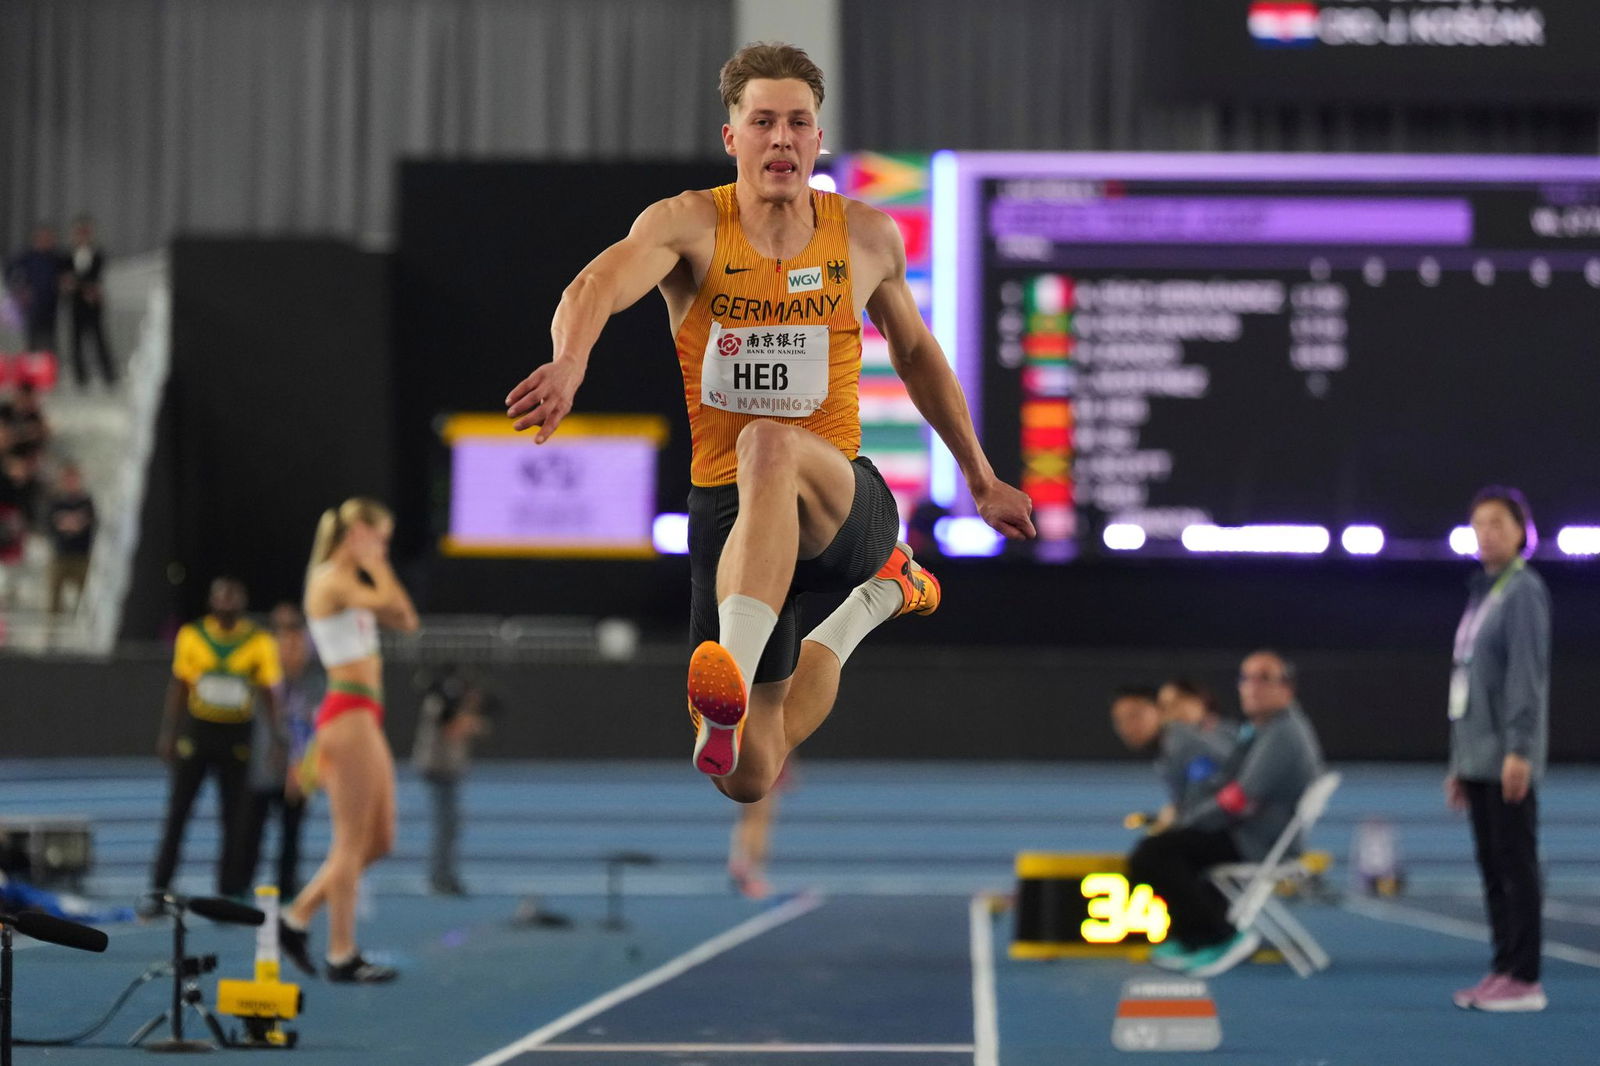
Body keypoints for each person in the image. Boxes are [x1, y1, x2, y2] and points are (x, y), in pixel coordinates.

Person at [504, 42, 1035, 803]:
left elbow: (917, 354)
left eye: (797, 123)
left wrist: (980, 479)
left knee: (769, 439)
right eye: (763, 122)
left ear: (818, 138)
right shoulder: (689, 224)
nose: (781, 138)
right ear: (732, 138)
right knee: (748, 776)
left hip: (838, 503)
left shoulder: (865, 236)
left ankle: (735, 658)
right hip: (730, 514)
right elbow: (594, 284)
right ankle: (879, 598)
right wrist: (569, 362)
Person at [279, 498, 418, 984]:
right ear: (356, 532)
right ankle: (341, 953)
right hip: (347, 713)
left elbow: (406, 618)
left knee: (380, 840)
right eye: (379, 538)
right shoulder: (330, 580)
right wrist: (376, 566)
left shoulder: (353, 582)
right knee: (351, 841)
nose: (383, 549)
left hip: (365, 715)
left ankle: (296, 916)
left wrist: (376, 566)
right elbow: (390, 604)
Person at [1127, 650, 1323, 977]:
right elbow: (1229, 785)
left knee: (1155, 853)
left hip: (1257, 842)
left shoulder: (1282, 734)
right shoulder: (1267, 729)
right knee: (1174, 847)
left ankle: (1220, 937)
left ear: (1287, 688)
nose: (1252, 687)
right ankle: (1192, 937)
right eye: (1246, 678)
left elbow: (1238, 799)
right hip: (1254, 833)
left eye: (1264, 678)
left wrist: (1187, 822)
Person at [1446, 486, 1550, 1013]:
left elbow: (1524, 678)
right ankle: (1503, 967)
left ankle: (1525, 977)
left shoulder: (1523, 591)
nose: (1486, 534)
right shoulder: (1481, 593)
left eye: (1497, 524)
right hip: (1478, 756)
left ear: (1520, 532)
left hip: (1506, 755)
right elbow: (1467, 682)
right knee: (1492, 868)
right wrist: (1459, 762)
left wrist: (1520, 750)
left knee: (1516, 865)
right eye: (1479, 525)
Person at [149, 577, 283, 903]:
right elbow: (179, 687)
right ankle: (160, 885)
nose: (226, 602)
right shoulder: (192, 635)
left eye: (232, 596)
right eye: (221, 596)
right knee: (178, 811)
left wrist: (277, 738)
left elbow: (269, 693)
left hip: (237, 734)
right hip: (199, 731)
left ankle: (229, 889)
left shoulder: (259, 641)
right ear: (211, 601)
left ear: (243, 602)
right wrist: (169, 733)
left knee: (235, 816)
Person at [231, 603, 321, 898]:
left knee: (292, 831)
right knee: (251, 829)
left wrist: (303, 765)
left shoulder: (316, 683)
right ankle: (242, 883)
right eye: (284, 644)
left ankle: (287, 886)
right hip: (264, 766)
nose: (291, 652)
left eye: (297, 646)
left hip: (299, 768)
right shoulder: (262, 677)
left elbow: (315, 728)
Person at [1110, 685, 1235, 836]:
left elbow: (1215, 797)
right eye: (1119, 721)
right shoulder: (1170, 748)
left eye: (1135, 715)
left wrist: (1177, 819)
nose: (1127, 727)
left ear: (1160, 711)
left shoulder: (1182, 744)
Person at [410, 663, 490, 896]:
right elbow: (452, 729)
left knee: (449, 826)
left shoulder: (446, 703)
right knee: (446, 826)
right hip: (438, 769)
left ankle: (443, 874)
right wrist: (472, 715)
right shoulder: (442, 703)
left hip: (445, 770)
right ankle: (440, 876)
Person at [62, 215, 118, 388]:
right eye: (79, 232)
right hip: (76, 304)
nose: (82, 236)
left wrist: (83, 286)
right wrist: (81, 287)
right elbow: (66, 280)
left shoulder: (97, 254)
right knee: (76, 341)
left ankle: (109, 376)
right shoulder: (67, 256)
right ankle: (80, 377)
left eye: (85, 232)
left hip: (93, 305)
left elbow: (96, 278)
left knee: (99, 339)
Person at [3, 224, 66, 352]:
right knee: (32, 338)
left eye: (49, 238)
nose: (46, 241)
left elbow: (67, 274)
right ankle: (31, 361)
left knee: (50, 339)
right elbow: (9, 269)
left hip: (51, 305)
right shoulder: (28, 256)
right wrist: (18, 289)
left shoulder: (56, 257)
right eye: (43, 238)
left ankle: (49, 361)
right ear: (36, 239)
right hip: (32, 303)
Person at [45, 462, 95, 616]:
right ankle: (53, 624)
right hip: (60, 554)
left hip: (82, 555)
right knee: (54, 596)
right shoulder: (55, 502)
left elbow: (93, 524)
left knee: (85, 596)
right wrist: (64, 523)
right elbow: (48, 525)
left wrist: (77, 523)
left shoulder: (87, 502)